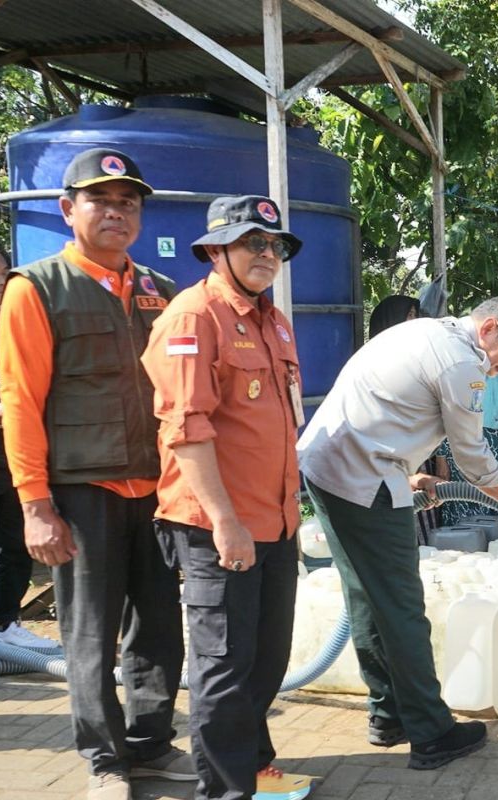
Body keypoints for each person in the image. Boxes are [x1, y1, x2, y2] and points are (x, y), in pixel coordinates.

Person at [0, 148, 191, 800]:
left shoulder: (158, 291)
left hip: (157, 489)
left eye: (127, 201)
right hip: (82, 491)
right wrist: (34, 504)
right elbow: (21, 402)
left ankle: (152, 746)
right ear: (67, 209)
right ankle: (105, 763)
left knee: (161, 630)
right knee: (89, 635)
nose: (115, 211)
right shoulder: (37, 288)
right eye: (100, 200)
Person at [296, 294, 498, 770]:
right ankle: (431, 732)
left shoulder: (429, 333)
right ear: (490, 328)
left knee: (367, 596)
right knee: (401, 604)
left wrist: (404, 469)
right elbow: (472, 456)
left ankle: (388, 715)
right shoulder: (462, 362)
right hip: (361, 475)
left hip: (334, 465)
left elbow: (389, 408)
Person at [141, 196, 303, 800]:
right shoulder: (192, 317)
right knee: (224, 670)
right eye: (252, 243)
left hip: (276, 520)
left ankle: (256, 768)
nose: (267, 255)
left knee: (267, 659)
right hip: (220, 526)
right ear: (216, 250)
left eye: (274, 245)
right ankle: (225, 791)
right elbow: (186, 430)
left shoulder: (273, 320)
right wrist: (225, 523)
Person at [0, 239, 57, 649]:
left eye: (4, 272)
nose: (0, 281)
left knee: (14, 544)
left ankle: (6, 628)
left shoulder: (20, 322)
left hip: (16, 455)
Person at [369, 293, 438, 540]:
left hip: (416, 461)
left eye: (414, 316)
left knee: (422, 521)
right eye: (407, 317)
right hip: (383, 464)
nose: (414, 323)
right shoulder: (370, 367)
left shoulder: (419, 362)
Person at [436, 372, 498, 526]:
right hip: (463, 448)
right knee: (464, 497)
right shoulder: (461, 378)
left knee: (497, 500)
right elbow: (446, 418)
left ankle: (494, 545)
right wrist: (441, 456)